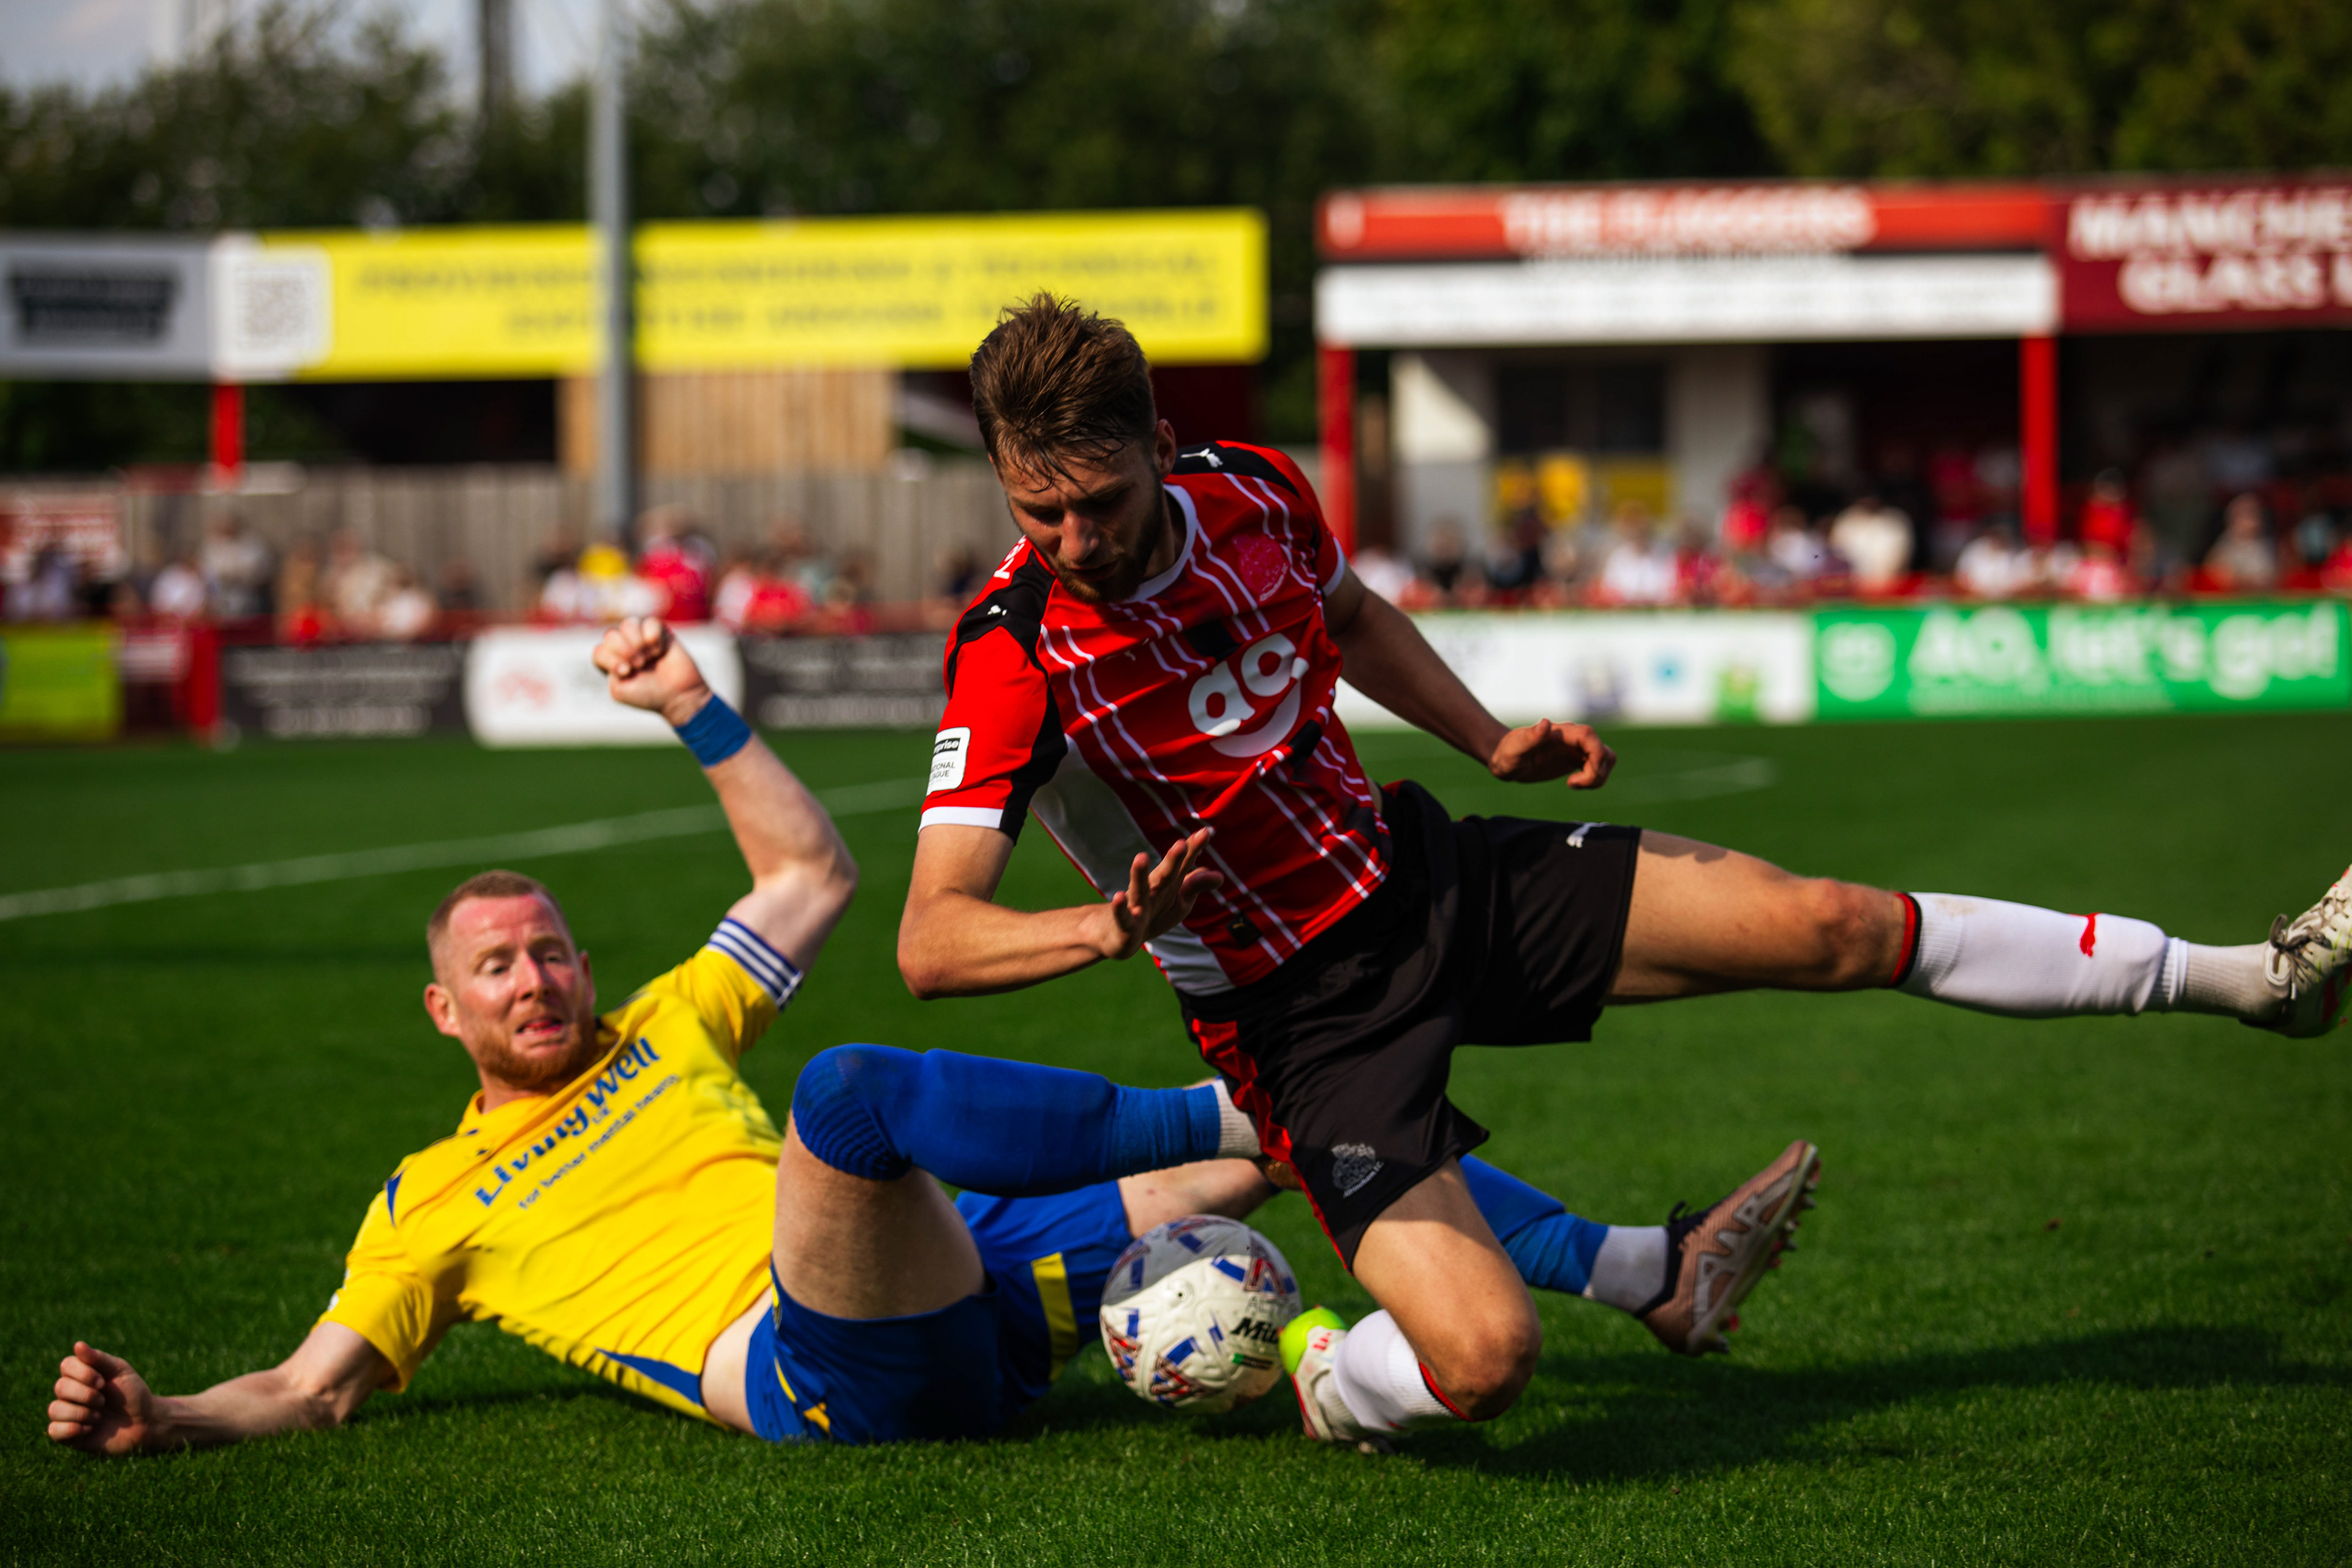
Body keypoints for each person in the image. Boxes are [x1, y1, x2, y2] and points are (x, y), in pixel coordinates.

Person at [895, 295, 2352, 1450]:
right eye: (1039, 510)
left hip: (1429, 873)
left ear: (1160, 439)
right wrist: (1108, 922)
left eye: (1097, 499)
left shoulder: (1256, 488)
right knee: (1486, 1360)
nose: (1072, 540)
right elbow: (931, 942)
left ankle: (2259, 979)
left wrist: (1483, 737)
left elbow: (1350, 609)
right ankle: (1339, 1383)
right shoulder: (1014, 651)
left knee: (1827, 920)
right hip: (1299, 1017)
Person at [45, 617, 1788, 1456]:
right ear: (445, 1010)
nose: (539, 977)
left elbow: (808, 870)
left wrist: (692, 709)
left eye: (554, 949)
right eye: (500, 966)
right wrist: (171, 1415)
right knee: (851, 1090)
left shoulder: (657, 1028)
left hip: (965, 1269)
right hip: (824, 1365)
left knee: (1294, 1124)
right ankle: (1231, 1125)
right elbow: (313, 1384)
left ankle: (1644, 1269)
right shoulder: (430, 1194)